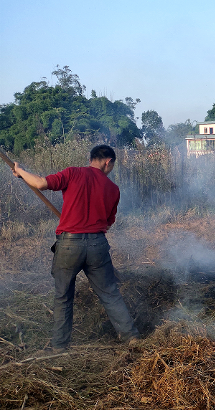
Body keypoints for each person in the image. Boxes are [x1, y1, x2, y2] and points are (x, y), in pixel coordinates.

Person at [12, 145, 139, 351]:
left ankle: (60, 347)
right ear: (108, 162)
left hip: (69, 245)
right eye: (112, 165)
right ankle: (131, 337)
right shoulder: (113, 189)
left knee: (63, 297)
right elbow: (107, 223)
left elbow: (41, 183)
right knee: (110, 293)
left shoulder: (73, 173)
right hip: (98, 245)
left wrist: (21, 171)